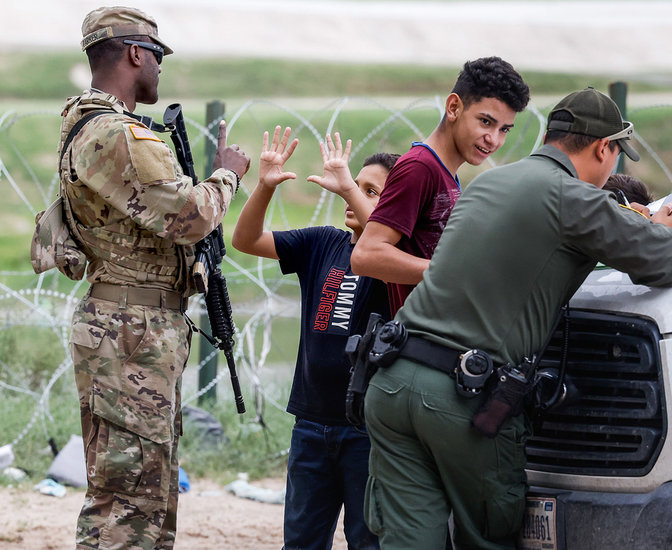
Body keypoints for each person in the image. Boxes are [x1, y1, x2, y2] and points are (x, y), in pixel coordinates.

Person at [362, 87, 672, 549]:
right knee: (490, 536)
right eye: (616, 156)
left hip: (392, 381)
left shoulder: (490, 182)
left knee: (409, 541)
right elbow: (670, 262)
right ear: (604, 149)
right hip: (461, 399)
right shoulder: (574, 197)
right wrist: (660, 229)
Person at [61, 6, 250, 549]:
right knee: (126, 499)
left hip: (133, 325)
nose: (160, 69)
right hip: (130, 328)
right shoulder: (115, 133)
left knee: (147, 490)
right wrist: (227, 175)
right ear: (135, 54)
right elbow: (190, 215)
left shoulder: (88, 121)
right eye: (157, 56)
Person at [232, 128, 396, 550]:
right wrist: (265, 187)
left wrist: (347, 188)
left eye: (369, 191)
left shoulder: (399, 264)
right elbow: (245, 240)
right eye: (354, 185)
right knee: (302, 541)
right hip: (311, 424)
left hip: (367, 432)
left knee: (367, 541)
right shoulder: (323, 243)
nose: (351, 195)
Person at [351, 56, 530, 315]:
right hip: (420, 343)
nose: (493, 140)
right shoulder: (420, 168)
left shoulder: (445, 173)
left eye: (505, 130)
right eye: (486, 122)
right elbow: (366, 256)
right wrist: (452, 273)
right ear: (454, 107)